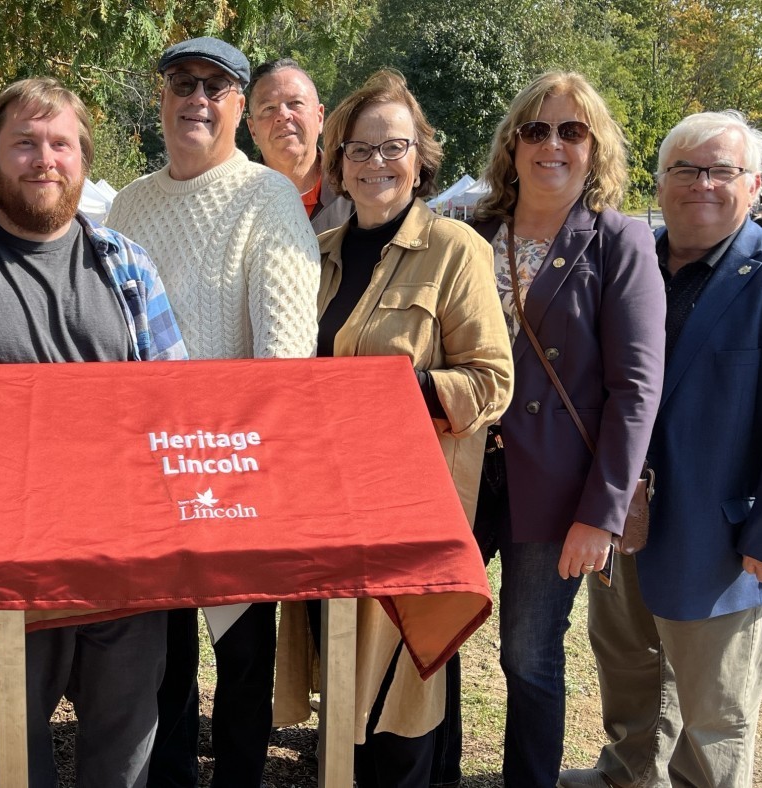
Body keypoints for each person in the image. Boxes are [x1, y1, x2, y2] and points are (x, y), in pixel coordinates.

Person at [0, 77, 187, 788]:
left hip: (125, 552)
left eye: (61, 144)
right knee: (11, 736)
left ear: (82, 158)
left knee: (126, 732)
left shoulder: (128, 265)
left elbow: (170, 407)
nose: (43, 159)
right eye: (24, 143)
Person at [559, 111, 762, 788]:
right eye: (685, 170)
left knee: (714, 708)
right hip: (620, 515)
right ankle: (626, 774)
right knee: (627, 665)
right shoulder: (624, 266)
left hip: (722, 537)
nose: (703, 184)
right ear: (660, 184)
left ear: (753, 186)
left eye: (722, 170)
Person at [272, 68, 513, 788]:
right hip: (324, 511)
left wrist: (392, 393)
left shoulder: (457, 250)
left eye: (394, 147)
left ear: (421, 157)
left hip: (413, 514)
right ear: (338, 161)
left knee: (402, 704)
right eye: (360, 149)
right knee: (340, 696)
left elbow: (492, 382)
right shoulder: (315, 255)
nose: (377, 163)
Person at [104, 36, 320, 788]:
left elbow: (287, 355)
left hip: (237, 472)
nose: (195, 98)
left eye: (215, 87)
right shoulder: (128, 205)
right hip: (146, 472)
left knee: (242, 665)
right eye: (181, 83)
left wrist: (225, 457)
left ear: (237, 107)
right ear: (161, 97)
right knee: (158, 666)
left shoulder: (268, 197)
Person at [461, 71, 667, 788]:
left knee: (529, 654)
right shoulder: (469, 232)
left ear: (595, 147)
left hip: (553, 489)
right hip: (456, 472)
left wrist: (600, 516)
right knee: (427, 632)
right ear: (512, 144)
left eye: (571, 131)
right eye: (536, 129)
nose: (552, 144)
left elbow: (635, 390)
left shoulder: (620, 242)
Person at [245, 58, 352, 234]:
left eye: (295, 103)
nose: (283, 115)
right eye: (269, 108)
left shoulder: (355, 193)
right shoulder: (233, 204)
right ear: (253, 130)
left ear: (319, 117)